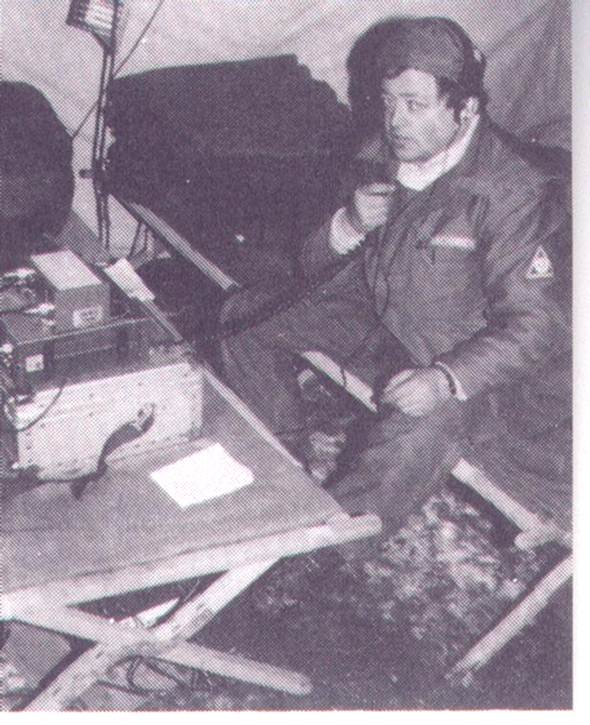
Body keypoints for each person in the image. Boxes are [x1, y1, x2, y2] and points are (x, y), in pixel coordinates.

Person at [220, 17, 570, 537]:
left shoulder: (513, 192)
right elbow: (311, 267)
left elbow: (537, 327)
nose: (395, 122)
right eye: (387, 103)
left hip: (477, 369)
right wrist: (349, 224)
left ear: (466, 109)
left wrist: (445, 378)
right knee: (246, 321)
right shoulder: (382, 152)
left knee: (409, 438)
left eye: (414, 105)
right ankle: (283, 476)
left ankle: (325, 545)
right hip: (387, 322)